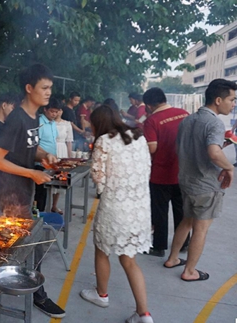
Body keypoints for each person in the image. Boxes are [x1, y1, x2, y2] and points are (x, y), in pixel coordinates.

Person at [0, 63, 65, 318]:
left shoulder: (34, 118)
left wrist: (45, 156)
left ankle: (34, 294)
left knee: (32, 248)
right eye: (44, 88)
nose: (48, 92)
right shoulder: (17, 119)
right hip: (7, 198)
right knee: (1, 251)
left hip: (24, 194)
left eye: (50, 88)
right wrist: (32, 172)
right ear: (29, 88)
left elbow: (28, 150)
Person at [79, 105, 154, 323]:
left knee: (102, 250)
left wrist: (103, 189)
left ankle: (102, 295)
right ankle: (144, 314)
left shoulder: (103, 141)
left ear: (98, 123)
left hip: (115, 208)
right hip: (139, 208)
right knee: (130, 261)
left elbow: (98, 177)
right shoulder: (139, 136)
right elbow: (147, 168)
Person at [163, 79, 236, 282]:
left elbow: (185, 148)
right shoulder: (214, 123)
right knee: (200, 228)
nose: (234, 104)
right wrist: (228, 167)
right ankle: (189, 271)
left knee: (186, 221)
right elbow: (213, 153)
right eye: (232, 99)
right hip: (205, 185)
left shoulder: (188, 120)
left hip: (186, 181)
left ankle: (172, 258)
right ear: (218, 99)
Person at [142, 87, 190, 257]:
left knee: (160, 211)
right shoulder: (184, 114)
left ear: (148, 105)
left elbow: (152, 147)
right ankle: (183, 243)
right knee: (181, 210)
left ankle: (159, 246)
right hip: (183, 172)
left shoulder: (152, 120)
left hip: (161, 174)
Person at [34, 98, 60, 212]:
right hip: (40, 162)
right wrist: (45, 155)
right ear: (45, 109)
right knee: (41, 191)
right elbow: (35, 144)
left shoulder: (53, 123)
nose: (54, 114)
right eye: (52, 111)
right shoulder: (40, 122)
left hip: (50, 162)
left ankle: (43, 212)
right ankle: (39, 214)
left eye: (56, 112)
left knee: (48, 190)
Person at [52, 98, 73, 214]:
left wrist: (69, 159)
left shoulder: (67, 124)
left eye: (59, 110)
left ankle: (54, 205)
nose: (57, 113)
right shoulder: (48, 123)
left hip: (62, 151)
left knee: (60, 179)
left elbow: (69, 142)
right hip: (51, 149)